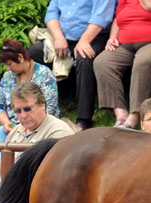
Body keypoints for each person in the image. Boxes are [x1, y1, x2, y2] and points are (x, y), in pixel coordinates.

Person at [93, 0, 151, 129]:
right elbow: (119, 18)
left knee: (142, 62)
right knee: (103, 63)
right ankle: (121, 114)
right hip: (125, 44)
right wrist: (112, 37)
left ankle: (135, 115)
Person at [28, 0, 116, 130]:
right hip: (62, 38)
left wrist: (84, 40)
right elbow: (52, 14)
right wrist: (58, 37)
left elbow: (101, 17)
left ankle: (84, 119)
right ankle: (36, 111)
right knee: (33, 54)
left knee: (85, 57)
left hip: (94, 36)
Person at [0, 40, 60, 147]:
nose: (7, 68)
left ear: (20, 57)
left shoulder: (45, 75)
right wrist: (5, 122)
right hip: (11, 128)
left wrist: (25, 126)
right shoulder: (7, 77)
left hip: (37, 127)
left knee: (5, 155)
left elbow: (49, 108)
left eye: (9, 64)